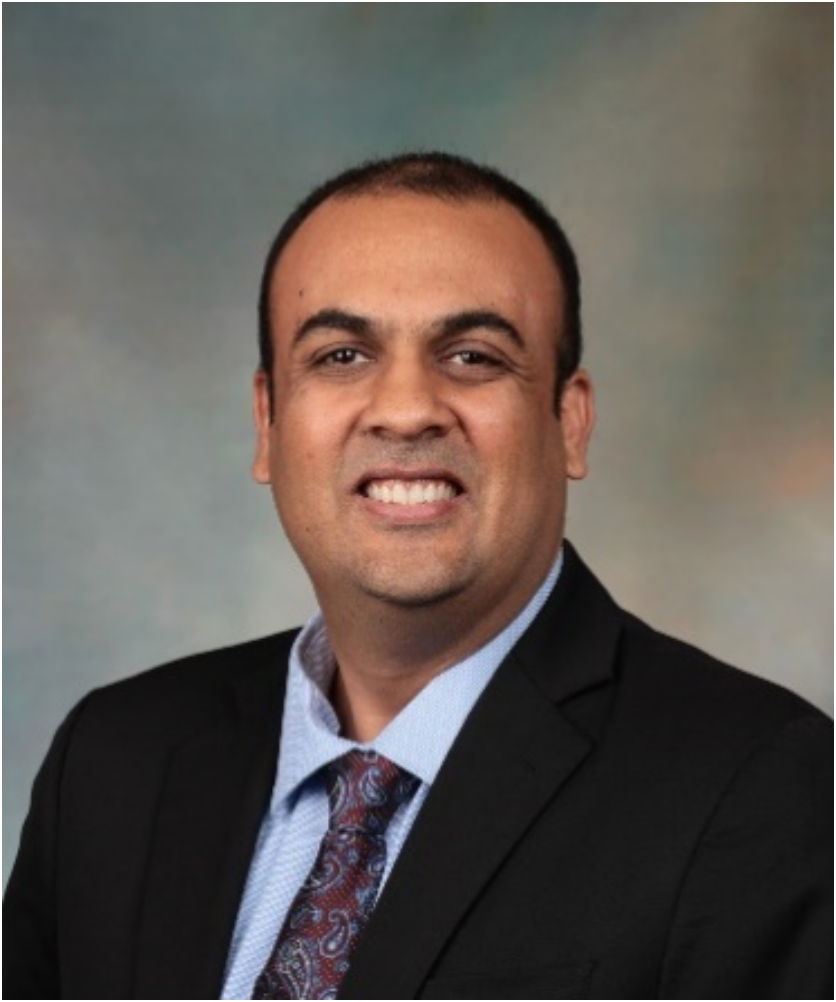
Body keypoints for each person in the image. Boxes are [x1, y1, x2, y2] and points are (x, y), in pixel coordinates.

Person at [4, 152, 831, 1001]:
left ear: (570, 422)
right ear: (268, 422)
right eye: (341, 355)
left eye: (472, 356)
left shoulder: (760, 786)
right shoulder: (114, 761)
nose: (405, 410)